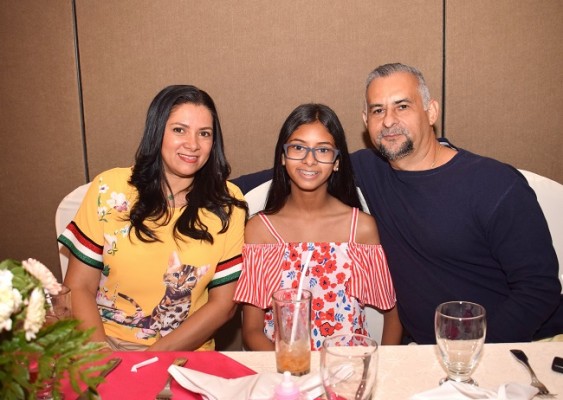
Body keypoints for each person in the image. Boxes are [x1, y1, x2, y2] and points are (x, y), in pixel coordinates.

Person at [233, 63, 562, 344]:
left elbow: (539, 288)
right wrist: (208, 190)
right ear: (366, 119)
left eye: (402, 106)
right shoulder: (371, 168)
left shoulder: (493, 184)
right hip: (423, 353)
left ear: (431, 111)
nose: (389, 120)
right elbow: (291, 170)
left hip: (526, 345)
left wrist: (471, 352)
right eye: (378, 110)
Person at [58, 85, 247, 351]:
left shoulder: (227, 204)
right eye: (179, 130)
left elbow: (224, 305)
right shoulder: (110, 189)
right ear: (157, 131)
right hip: (101, 342)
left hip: (183, 351)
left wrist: (149, 360)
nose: (192, 144)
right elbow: (78, 286)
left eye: (204, 134)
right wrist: (100, 359)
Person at [233, 103, 401, 351]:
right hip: (286, 374)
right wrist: (292, 373)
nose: (309, 160)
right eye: (298, 148)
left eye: (322, 150)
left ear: (336, 162)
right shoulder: (260, 229)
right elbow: (252, 331)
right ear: (283, 156)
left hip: (346, 369)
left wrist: (379, 367)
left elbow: (393, 317)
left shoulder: (360, 228)